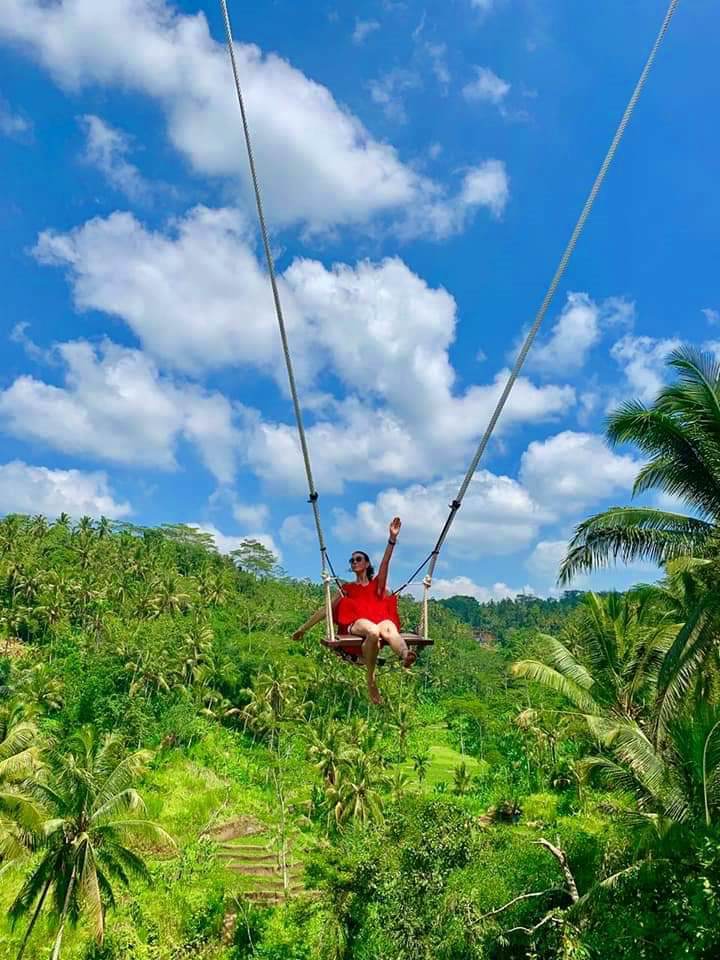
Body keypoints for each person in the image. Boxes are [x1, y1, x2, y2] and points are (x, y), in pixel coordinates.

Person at [292, 517, 415, 705]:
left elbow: (385, 565)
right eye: (352, 560)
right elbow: (326, 610)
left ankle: (406, 655)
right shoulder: (346, 588)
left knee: (390, 628)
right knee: (372, 631)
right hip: (357, 624)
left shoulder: (377, 586)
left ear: (366, 564)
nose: (354, 562)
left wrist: (392, 539)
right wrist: (303, 628)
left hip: (380, 621)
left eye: (358, 559)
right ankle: (371, 680)